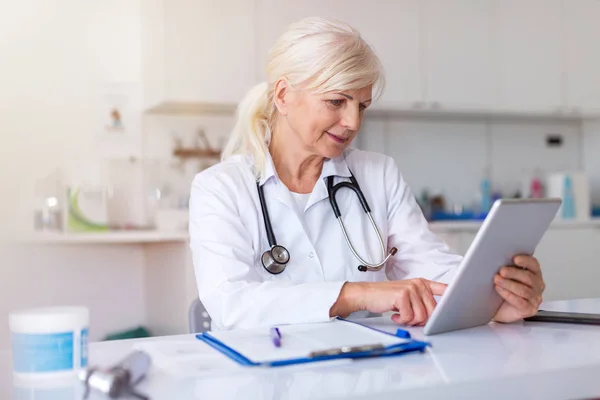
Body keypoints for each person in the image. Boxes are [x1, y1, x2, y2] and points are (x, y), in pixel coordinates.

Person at [188, 17, 545, 331]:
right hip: (263, 376)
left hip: (366, 372)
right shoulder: (220, 188)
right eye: (336, 101)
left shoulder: (378, 174)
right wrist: (359, 294)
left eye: (362, 106)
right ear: (283, 95)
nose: (353, 122)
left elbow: (430, 266)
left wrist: (496, 297)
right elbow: (231, 303)